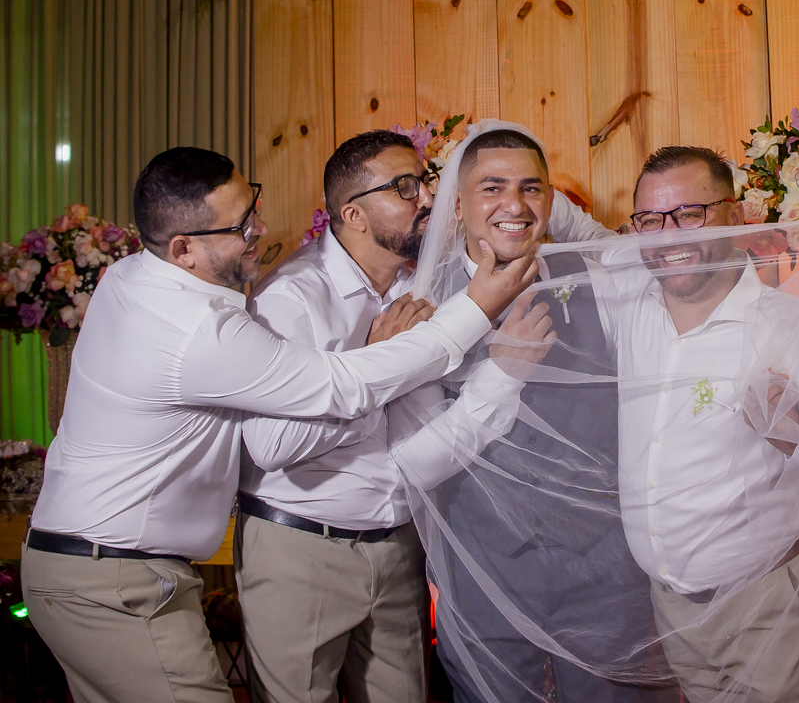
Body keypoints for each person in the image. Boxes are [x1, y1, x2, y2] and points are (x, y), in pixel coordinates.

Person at [21, 146, 537, 703]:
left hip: (115, 567)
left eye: (254, 207)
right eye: (241, 226)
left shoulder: (132, 276)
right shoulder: (206, 328)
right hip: (115, 577)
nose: (261, 230)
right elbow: (342, 388)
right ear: (183, 249)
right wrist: (476, 308)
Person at [235, 129, 603, 703]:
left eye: (426, 182)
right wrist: (375, 366)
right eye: (405, 188)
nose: (427, 197)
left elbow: (526, 213)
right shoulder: (293, 297)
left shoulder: (422, 284)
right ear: (353, 214)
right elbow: (272, 446)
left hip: (400, 545)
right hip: (305, 545)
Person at [590, 146, 799, 703]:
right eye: (651, 220)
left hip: (769, 602)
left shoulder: (785, 323)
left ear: (735, 216)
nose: (669, 236)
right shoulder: (626, 303)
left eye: (690, 214)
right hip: (672, 609)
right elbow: (566, 232)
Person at [410, 121, 674, 703]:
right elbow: (416, 457)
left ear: (552, 201)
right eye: (492, 188)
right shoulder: (422, 305)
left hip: (604, 566)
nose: (514, 205)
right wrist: (502, 372)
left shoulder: (601, 277)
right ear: (457, 205)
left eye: (531, 188)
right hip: (485, 563)